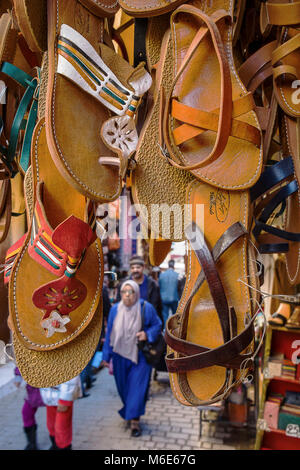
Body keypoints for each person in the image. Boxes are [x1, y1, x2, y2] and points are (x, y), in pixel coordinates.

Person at [102, 280, 162, 437]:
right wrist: (106, 356)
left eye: (131, 292)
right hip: (119, 356)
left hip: (140, 356)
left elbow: (157, 325)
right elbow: (109, 333)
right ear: (120, 294)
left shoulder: (145, 307)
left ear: (136, 293)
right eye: (124, 292)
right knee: (124, 389)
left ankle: (135, 422)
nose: (127, 295)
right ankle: (129, 410)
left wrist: (147, 334)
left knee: (137, 389)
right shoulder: (115, 309)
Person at [40, 375, 82, 450]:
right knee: (51, 425)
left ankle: (63, 446)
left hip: (63, 396)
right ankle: (55, 445)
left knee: (62, 429)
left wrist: (65, 399)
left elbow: (71, 374)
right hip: (49, 395)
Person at [117, 255, 163, 322]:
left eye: (138, 267)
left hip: (146, 322)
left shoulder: (152, 284)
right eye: (133, 268)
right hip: (128, 321)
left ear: (143, 267)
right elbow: (119, 303)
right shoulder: (123, 284)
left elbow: (157, 306)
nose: (135, 270)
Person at [14, 367, 45, 450]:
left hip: (50, 389)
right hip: (33, 390)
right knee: (26, 413)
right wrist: (18, 377)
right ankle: (32, 444)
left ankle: (59, 445)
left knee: (55, 417)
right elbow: (21, 362)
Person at [159, 259, 179, 326]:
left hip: (164, 298)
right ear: (173, 265)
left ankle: (165, 330)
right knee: (174, 316)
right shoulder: (177, 275)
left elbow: (159, 286)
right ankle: (174, 330)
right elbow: (179, 287)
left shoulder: (162, 275)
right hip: (174, 297)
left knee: (165, 316)